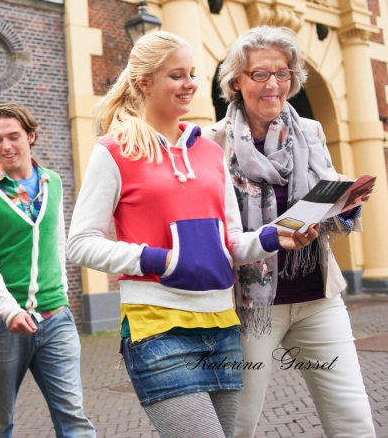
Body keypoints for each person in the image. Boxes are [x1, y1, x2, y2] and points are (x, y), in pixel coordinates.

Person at [66, 31, 316, 438]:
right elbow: (79, 243)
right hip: (158, 327)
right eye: (176, 75)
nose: (190, 85)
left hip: (222, 326)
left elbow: (230, 241)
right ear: (144, 82)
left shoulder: (211, 152)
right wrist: (158, 259)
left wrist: (274, 238)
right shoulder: (113, 151)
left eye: (193, 74)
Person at [204, 25, 375, 437]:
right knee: (239, 423)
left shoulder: (311, 132)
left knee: (352, 417)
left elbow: (328, 197)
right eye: (260, 74)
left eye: (282, 73)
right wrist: (268, 237)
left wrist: (345, 206)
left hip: (317, 297)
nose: (274, 84)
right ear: (236, 81)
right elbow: (214, 229)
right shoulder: (211, 144)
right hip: (250, 308)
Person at [0, 104, 95, 438]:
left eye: (13, 137)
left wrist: (62, 297)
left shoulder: (52, 182)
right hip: (2, 324)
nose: (5, 146)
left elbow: (57, 241)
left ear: (30, 137)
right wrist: (9, 311)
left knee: (74, 417)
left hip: (55, 319)